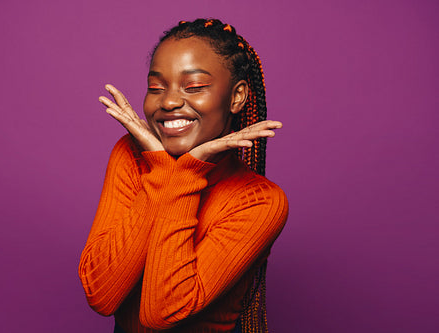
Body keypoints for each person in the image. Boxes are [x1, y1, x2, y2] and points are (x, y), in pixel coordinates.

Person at [79, 18, 289, 333]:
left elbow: (162, 312)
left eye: (193, 87)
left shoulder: (261, 202)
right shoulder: (131, 155)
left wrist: (184, 172)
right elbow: (102, 295)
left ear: (236, 97)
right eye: (156, 88)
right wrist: (163, 167)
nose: (169, 101)